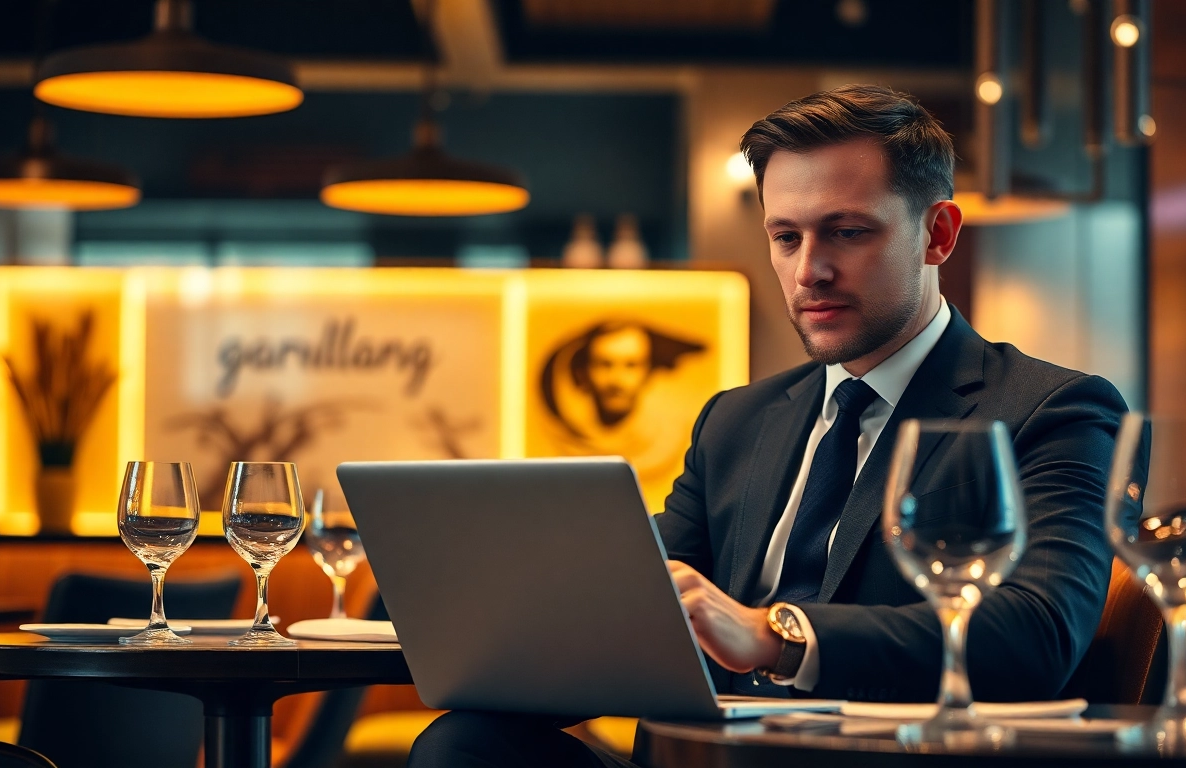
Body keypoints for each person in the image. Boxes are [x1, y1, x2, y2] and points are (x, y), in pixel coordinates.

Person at [409, 84, 1126, 767]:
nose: (809, 270)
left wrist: (775, 634)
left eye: (846, 232)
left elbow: (1036, 632)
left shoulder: (1054, 410)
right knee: (463, 745)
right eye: (785, 237)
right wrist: (488, 617)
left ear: (936, 234)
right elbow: (641, 600)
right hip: (704, 760)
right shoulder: (736, 421)